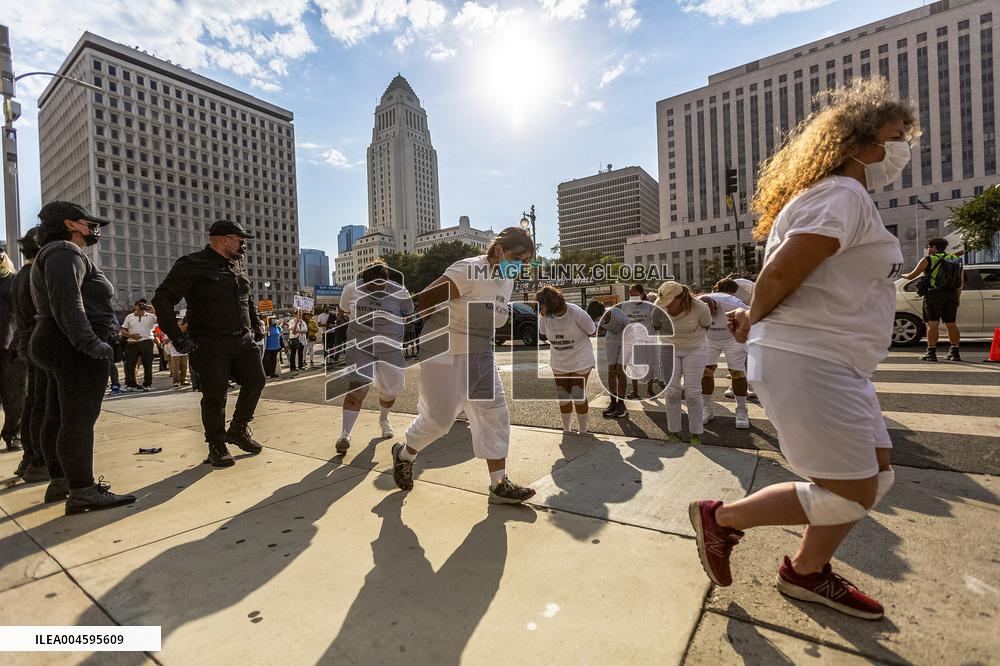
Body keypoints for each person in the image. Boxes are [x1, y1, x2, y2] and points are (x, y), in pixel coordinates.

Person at [689, 79, 913, 620]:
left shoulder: (843, 197)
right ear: (857, 144)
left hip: (835, 359)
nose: (902, 148)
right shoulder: (841, 194)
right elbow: (785, 267)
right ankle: (723, 521)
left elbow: (797, 275)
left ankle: (807, 572)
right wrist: (753, 316)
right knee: (853, 490)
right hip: (810, 357)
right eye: (894, 137)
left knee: (876, 475)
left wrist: (751, 315)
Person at [392, 227, 537, 505]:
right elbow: (426, 299)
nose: (520, 264)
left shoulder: (506, 283)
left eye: (526, 260)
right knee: (439, 420)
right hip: (444, 354)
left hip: (479, 355)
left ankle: (498, 484)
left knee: (493, 413)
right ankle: (404, 454)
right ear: (498, 250)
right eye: (517, 256)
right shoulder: (468, 270)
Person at [30, 201, 136, 513]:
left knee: (59, 415)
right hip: (71, 344)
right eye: (89, 222)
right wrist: (90, 343)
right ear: (70, 224)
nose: (94, 228)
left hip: (53, 340)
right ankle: (83, 490)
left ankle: (62, 480)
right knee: (78, 419)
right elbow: (68, 302)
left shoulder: (51, 253)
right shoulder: (65, 251)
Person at [152, 219, 266, 468]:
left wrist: (257, 325)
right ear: (224, 239)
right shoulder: (192, 264)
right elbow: (162, 299)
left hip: (243, 340)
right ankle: (216, 444)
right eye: (240, 240)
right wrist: (177, 337)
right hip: (210, 343)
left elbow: (247, 299)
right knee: (215, 395)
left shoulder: (236, 266)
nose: (244, 245)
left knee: (256, 381)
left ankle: (238, 429)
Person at [333, 261, 414, 453]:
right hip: (360, 346)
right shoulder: (351, 289)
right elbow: (343, 311)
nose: (376, 291)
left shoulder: (400, 292)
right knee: (357, 389)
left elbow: (409, 313)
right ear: (363, 281)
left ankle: (384, 418)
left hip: (390, 348)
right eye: (371, 288)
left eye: (380, 287)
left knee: (389, 393)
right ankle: (345, 434)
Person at [654, 281, 711, 445]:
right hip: (669, 348)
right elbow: (656, 324)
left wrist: (690, 340)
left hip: (694, 348)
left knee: (692, 393)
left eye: (670, 302)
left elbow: (706, 325)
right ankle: (674, 431)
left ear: (681, 297)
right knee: (672, 392)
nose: (666, 306)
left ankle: (696, 433)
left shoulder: (700, 307)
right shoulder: (659, 305)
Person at [536, 286, 597, 434]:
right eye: (541, 310)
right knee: (563, 395)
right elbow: (543, 333)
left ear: (556, 305)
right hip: (559, 360)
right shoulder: (543, 317)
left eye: (545, 310)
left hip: (580, 358)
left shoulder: (576, 313)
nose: (543, 313)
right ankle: (567, 430)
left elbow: (592, 330)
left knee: (577, 393)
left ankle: (583, 431)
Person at [12, 231, 45, 482]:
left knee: (33, 400)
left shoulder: (21, 275)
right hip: (38, 344)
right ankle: (37, 459)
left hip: (27, 344)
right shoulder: (34, 275)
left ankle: (30, 458)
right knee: (40, 403)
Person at [700, 278, 751, 429]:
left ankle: (742, 410)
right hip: (710, 338)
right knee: (706, 371)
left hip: (731, 338)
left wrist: (744, 331)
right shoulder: (694, 304)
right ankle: (706, 409)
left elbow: (751, 315)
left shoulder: (732, 303)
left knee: (737, 372)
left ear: (715, 306)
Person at [902, 237, 964, 362]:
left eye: (929, 247)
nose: (928, 249)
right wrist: (957, 297)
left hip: (934, 295)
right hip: (951, 294)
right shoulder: (954, 259)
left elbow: (911, 276)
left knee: (932, 324)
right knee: (951, 324)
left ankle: (931, 352)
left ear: (934, 247)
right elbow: (960, 281)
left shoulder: (928, 259)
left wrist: (902, 274)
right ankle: (955, 352)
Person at [0, 244, 26, 454]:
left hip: (12, 348)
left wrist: (22, 343)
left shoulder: (14, 280)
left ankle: (12, 434)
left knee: (15, 396)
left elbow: (24, 313)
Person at [619, 284, 658, 399]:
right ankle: (635, 391)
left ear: (642, 294)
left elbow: (656, 322)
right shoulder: (626, 306)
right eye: (630, 294)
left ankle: (650, 389)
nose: (632, 296)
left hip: (648, 338)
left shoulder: (650, 306)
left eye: (634, 294)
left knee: (649, 363)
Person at [120, 299, 157, 392]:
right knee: (130, 364)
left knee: (147, 363)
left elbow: (163, 320)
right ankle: (131, 384)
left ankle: (147, 384)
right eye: (139, 305)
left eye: (143, 305)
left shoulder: (151, 316)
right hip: (132, 342)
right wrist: (131, 335)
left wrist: (154, 311)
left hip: (147, 341)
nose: (141, 307)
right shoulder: (130, 316)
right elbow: (123, 330)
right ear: (135, 307)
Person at [164, 316, 190, 388]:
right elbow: (165, 341)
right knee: (175, 368)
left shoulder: (185, 330)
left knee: (184, 367)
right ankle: (176, 381)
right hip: (174, 352)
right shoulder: (170, 330)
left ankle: (184, 379)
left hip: (184, 352)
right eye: (178, 321)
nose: (179, 322)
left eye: (180, 321)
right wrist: (170, 338)